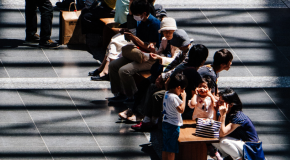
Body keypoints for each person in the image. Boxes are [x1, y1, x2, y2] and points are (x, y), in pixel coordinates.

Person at [119, 28, 190, 123]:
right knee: (144, 83)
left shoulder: (189, 53)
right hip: (167, 75)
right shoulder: (182, 51)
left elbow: (179, 68)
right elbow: (173, 64)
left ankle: (142, 113)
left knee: (152, 88)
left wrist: (163, 77)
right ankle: (134, 110)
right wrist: (162, 75)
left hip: (176, 80)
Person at [131, 44, 208, 130]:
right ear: (203, 61)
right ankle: (148, 119)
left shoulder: (187, 69)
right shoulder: (192, 72)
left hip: (184, 103)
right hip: (176, 95)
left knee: (157, 95)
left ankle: (152, 121)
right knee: (154, 89)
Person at [108, 0, 161, 103]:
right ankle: (119, 93)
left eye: (136, 14)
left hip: (150, 57)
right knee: (113, 65)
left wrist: (133, 38)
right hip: (138, 53)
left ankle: (132, 96)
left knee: (124, 71)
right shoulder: (140, 22)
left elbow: (151, 48)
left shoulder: (154, 24)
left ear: (144, 13)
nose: (134, 17)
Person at [212, 88, 259, 160]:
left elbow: (221, 133)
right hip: (239, 144)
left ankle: (239, 159)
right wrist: (215, 111)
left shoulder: (239, 117)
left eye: (221, 102)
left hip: (251, 148)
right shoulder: (225, 113)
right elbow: (216, 129)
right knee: (213, 139)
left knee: (223, 141)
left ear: (231, 105)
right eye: (219, 100)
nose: (218, 103)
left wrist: (223, 115)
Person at [162, 73, 187, 160]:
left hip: (165, 122)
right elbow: (181, 110)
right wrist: (184, 98)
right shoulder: (174, 97)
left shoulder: (166, 93)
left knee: (165, 146)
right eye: (182, 90)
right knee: (172, 149)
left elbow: (166, 86)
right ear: (178, 87)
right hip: (173, 125)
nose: (182, 92)